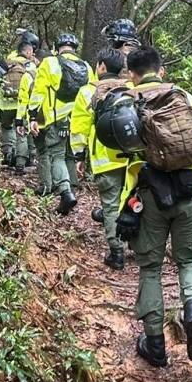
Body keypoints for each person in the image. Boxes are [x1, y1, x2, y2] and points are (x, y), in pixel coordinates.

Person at [115, 46, 192, 367]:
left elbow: (118, 152)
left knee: (151, 268)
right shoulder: (186, 98)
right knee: (190, 260)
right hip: (191, 190)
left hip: (148, 195)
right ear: (162, 70)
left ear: (131, 73)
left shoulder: (126, 103)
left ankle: (154, 343)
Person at [22, 33, 95, 213]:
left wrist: (32, 116)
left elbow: (38, 92)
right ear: (74, 48)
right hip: (78, 120)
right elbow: (93, 94)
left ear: (57, 47)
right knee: (72, 155)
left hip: (56, 119)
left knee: (57, 155)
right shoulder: (87, 67)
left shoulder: (50, 63)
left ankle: (65, 192)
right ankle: (74, 185)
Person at [70, 48, 130, 270]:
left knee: (112, 204)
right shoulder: (132, 88)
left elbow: (79, 128)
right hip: (134, 158)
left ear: (102, 66)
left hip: (106, 159)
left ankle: (116, 252)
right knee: (135, 199)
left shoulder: (89, 91)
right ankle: (136, 243)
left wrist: (79, 156)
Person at [0, 33, 37, 172]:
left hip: (5, 103)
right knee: (23, 131)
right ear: (28, 51)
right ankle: (21, 162)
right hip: (22, 104)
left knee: (7, 127)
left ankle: (8, 153)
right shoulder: (31, 65)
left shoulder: (7, 62)